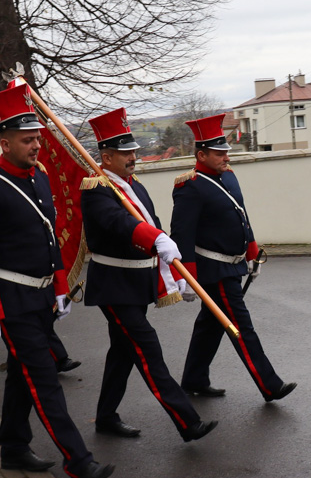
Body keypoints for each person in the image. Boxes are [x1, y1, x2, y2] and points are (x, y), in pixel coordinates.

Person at [0, 81, 113, 478]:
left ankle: (13, 444)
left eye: (37, 138)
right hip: (11, 299)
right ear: (4, 142)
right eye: (27, 140)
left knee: (22, 374)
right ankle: (78, 462)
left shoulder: (40, 177)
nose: (36, 146)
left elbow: (52, 237)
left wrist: (61, 287)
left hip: (42, 295)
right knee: (43, 376)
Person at [81, 108, 217, 442]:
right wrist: (154, 238)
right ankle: (187, 421)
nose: (132, 157)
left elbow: (153, 224)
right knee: (147, 349)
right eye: (125, 153)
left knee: (122, 352)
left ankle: (105, 416)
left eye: (133, 151)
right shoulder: (95, 188)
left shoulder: (134, 186)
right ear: (106, 156)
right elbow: (119, 223)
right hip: (113, 286)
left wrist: (173, 268)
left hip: (136, 283)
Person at [170, 113, 296, 402]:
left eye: (226, 151)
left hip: (233, 263)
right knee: (240, 325)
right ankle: (269, 384)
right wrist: (185, 277)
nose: (226, 156)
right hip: (212, 269)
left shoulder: (229, 176)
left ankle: (194, 378)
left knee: (211, 323)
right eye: (219, 152)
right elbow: (182, 235)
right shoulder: (189, 186)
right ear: (201, 154)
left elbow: (241, 215)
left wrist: (252, 252)